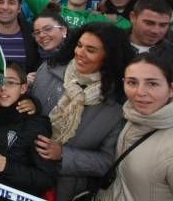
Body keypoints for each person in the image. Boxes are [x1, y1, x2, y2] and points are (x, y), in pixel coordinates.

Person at [30, 22, 135, 200]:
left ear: (109, 57)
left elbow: (108, 162)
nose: (80, 53)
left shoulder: (118, 105)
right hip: (21, 173)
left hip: (65, 189)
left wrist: (64, 155)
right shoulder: (49, 70)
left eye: (91, 50)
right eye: (79, 45)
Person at [0, 63, 57, 200]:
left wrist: (9, 168)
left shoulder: (35, 125)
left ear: (23, 88)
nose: (3, 88)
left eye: (10, 83)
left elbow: (46, 179)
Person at [96, 53, 173, 201]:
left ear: (171, 89)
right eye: (132, 82)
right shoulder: (132, 115)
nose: (140, 92)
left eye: (152, 83)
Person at [0, 0, 39, 73]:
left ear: (19, 8)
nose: (5, 7)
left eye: (11, 3)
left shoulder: (34, 34)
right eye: (0, 2)